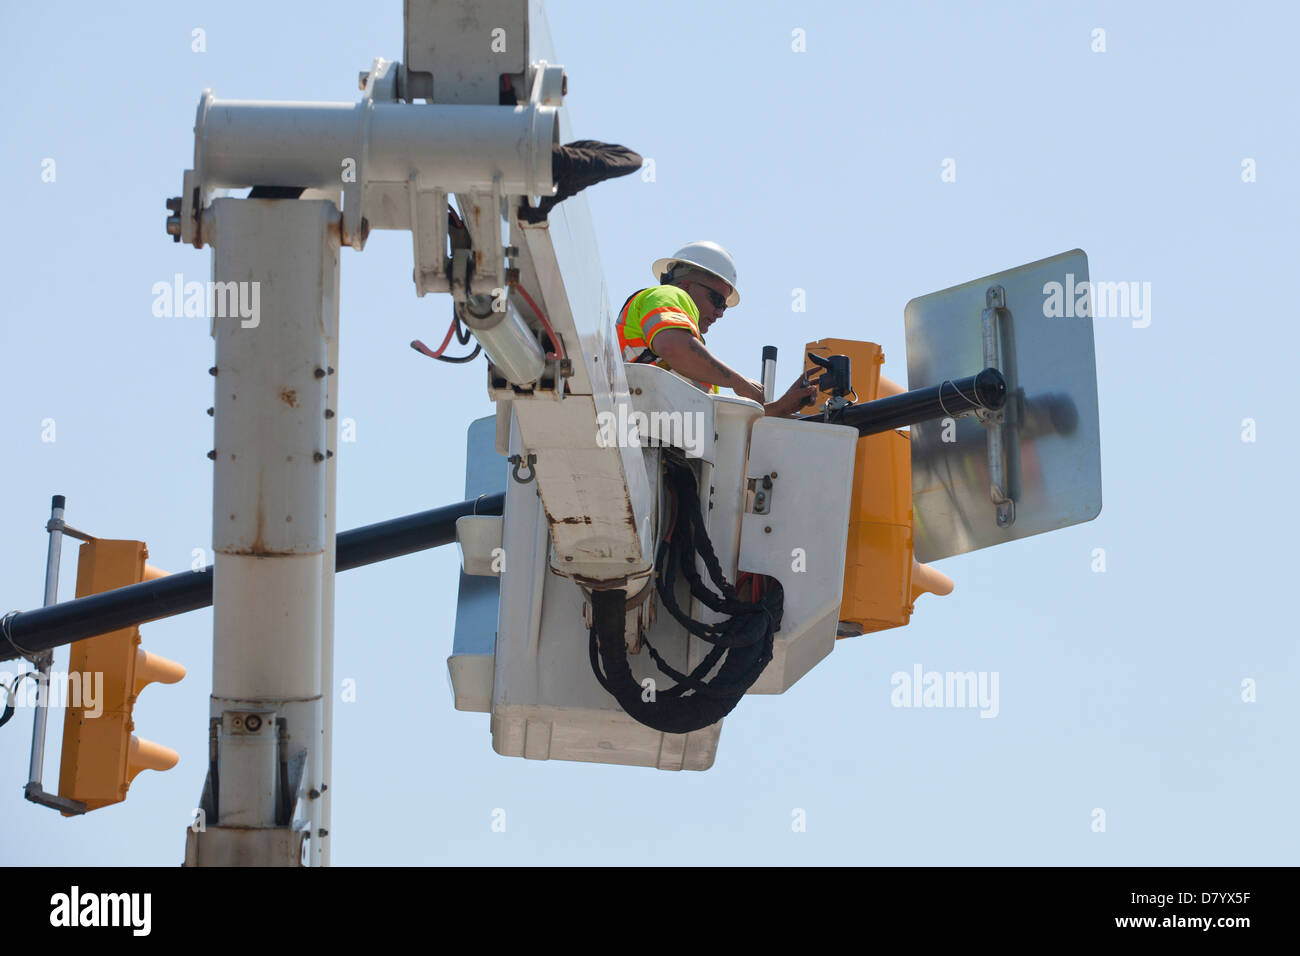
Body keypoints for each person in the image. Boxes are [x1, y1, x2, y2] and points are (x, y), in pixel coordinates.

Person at [616, 241, 816, 417]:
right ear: (686, 287)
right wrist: (738, 382)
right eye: (717, 300)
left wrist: (779, 408)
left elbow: (718, 424)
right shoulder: (669, 295)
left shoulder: (697, 362)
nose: (720, 312)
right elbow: (672, 346)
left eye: (724, 306)